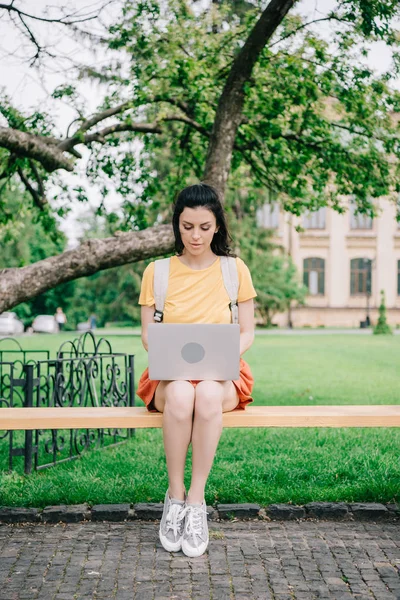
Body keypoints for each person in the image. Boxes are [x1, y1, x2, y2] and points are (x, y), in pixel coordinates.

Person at [137, 182, 257, 558]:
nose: (195, 235)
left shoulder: (234, 269)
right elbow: (147, 333)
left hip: (221, 375)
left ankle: (196, 502)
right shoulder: (157, 272)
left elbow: (248, 329)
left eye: (204, 227)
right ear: (177, 225)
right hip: (169, 375)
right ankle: (174, 499)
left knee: (204, 391)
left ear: (217, 226)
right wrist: (170, 356)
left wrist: (222, 356)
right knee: (182, 391)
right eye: (187, 226)